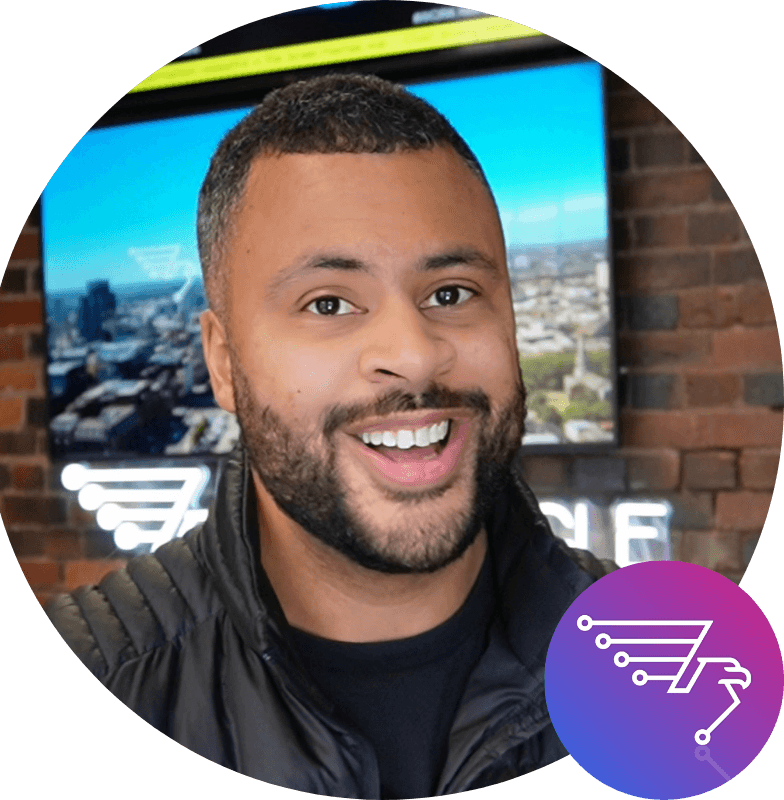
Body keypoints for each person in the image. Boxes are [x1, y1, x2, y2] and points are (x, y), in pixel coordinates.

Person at [47, 73, 615, 799]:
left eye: (450, 293)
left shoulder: (670, 672)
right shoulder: (84, 684)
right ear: (223, 363)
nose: (412, 353)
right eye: (329, 303)